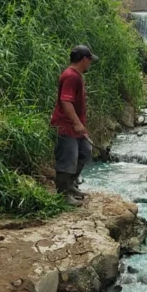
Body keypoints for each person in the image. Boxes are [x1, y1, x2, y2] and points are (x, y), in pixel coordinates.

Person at [50, 45, 98, 204]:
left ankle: (70, 186)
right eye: (89, 61)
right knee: (68, 159)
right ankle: (62, 195)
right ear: (84, 59)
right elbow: (66, 101)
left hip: (75, 127)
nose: (89, 64)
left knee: (85, 152)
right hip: (65, 126)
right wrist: (77, 124)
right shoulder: (71, 76)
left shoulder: (76, 75)